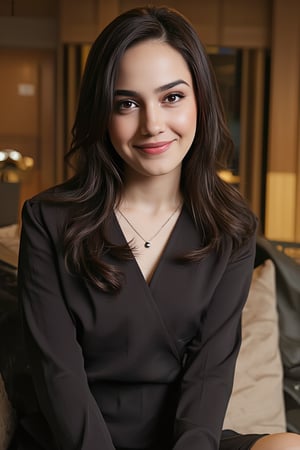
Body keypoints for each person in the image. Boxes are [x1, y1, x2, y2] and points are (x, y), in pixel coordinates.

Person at [16, 5, 300, 450]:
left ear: (200, 100)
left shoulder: (232, 227)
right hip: (74, 439)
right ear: (102, 114)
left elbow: (210, 374)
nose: (152, 125)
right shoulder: (47, 219)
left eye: (172, 97)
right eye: (126, 103)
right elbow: (58, 373)